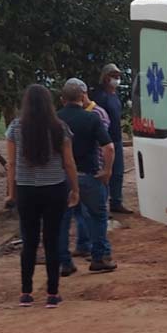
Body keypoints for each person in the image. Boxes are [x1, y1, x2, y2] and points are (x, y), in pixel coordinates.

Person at [5, 85, 80, 307]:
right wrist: (75, 188)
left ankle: (26, 292)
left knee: (29, 241)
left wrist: (11, 193)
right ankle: (52, 293)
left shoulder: (15, 128)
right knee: (52, 240)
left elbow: (11, 163)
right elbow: (68, 162)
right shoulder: (59, 128)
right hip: (54, 188)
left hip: (26, 190)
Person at [59, 81, 117, 272]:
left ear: (62, 99)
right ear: (82, 97)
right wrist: (107, 171)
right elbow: (108, 147)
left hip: (62, 178)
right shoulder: (91, 118)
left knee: (62, 220)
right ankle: (99, 258)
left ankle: (65, 263)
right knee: (97, 216)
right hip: (89, 176)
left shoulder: (55, 120)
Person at [94, 63, 130, 214]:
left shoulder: (115, 96)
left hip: (117, 138)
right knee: (105, 172)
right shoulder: (100, 97)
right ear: (106, 77)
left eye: (118, 76)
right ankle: (103, 204)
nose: (116, 79)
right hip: (105, 140)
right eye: (113, 76)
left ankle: (116, 201)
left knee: (118, 172)